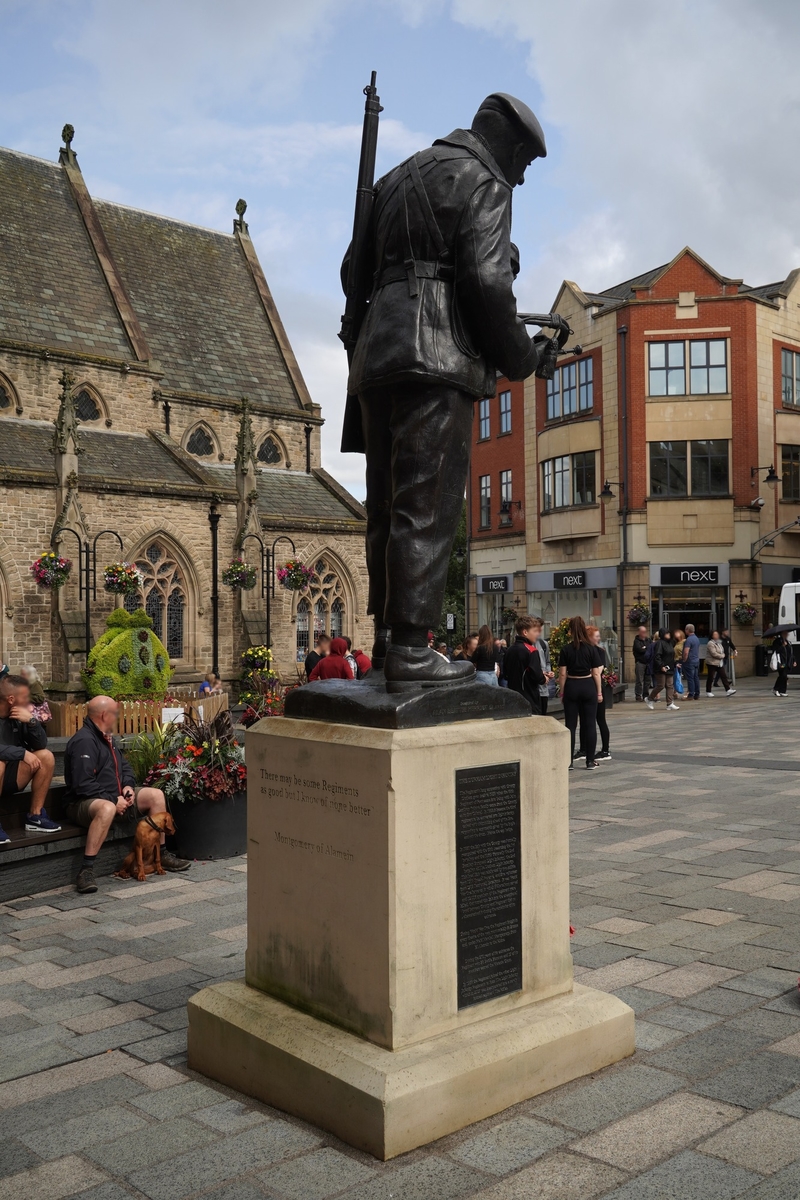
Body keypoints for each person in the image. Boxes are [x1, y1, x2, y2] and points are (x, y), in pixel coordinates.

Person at [342, 91, 559, 689]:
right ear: (509, 146)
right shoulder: (485, 179)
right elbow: (487, 284)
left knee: (386, 508)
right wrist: (523, 358)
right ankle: (413, 650)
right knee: (428, 504)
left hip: (376, 358)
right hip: (435, 357)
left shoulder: (396, 178)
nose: (522, 175)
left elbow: (349, 269)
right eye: (526, 163)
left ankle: (388, 645)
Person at [63, 695, 190, 894]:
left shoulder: (108, 737)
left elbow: (125, 768)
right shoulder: (84, 741)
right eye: (115, 713)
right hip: (83, 803)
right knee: (107, 808)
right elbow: (82, 784)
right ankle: (86, 870)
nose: (117, 717)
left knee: (155, 795)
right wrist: (113, 799)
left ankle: (162, 853)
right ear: (104, 715)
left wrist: (128, 787)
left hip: (114, 797)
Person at [0, 673, 58, 844]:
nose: (29, 702)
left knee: (46, 756)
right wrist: (22, 753)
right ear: (11, 699)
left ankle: (35, 816)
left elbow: (41, 744)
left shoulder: (20, 716)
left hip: (11, 776)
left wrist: (32, 722)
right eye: (25, 697)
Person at [558, 616, 604, 770]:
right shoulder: (591, 649)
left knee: (570, 725)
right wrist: (599, 693)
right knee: (590, 724)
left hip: (572, 685)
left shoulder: (566, 649)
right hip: (588, 685)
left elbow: (562, 674)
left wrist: (563, 692)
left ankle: (568, 762)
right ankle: (590, 761)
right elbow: (596, 673)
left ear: (570, 630)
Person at [504, 615, 546, 714]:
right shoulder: (531, 651)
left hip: (513, 698)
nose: (537, 634)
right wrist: (544, 678)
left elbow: (506, 673)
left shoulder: (509, 650)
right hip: (529, 698)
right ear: (525, 632)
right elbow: (537, 676)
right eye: (535, 631)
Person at [584, 626, 612, 760]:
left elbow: (599, 670)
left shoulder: (600, 651)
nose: (599, 638)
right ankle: (584, 749)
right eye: (596, 636)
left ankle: (605, 750)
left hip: (597, 688)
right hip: (588, 688)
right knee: (585, 720)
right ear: (589, 637)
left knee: (600, 719)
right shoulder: (584, 650)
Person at [647, 629, 680, 711]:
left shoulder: (670, 643)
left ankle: (669, 703)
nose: (668, 634)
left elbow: (671, 656)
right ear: (662, 634)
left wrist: (675, 664)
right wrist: (661, 666)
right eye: (666, 633)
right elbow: (657, 656)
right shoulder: (659, 643)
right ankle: (650, 698)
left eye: (669, 633)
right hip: (661, 668)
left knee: (670, 685)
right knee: (660, 685)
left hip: (670, 667)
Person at [705, 631, 736, 697]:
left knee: (723, 675)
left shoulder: (718, 643)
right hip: (712, 663)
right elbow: (713, 653)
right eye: (715, 634)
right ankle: (708, 691)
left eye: (717, 634)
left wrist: (723, 654)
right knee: (711, 677)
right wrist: (722, 656)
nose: (716, 635)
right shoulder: (710, 643)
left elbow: (722, 650)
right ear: (712, 636)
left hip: (719, 663)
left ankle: (728, 690)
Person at [632, 625, 652, 701]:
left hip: (648, 662)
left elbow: (651, 649)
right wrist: (646, 648)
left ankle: (646, 695)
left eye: (645, 631)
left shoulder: (648, 640)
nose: (644, 633)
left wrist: (645, 648)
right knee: (639, 680)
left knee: (648, 680)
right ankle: (638, 695)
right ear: (639, 632)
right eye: (642, 632)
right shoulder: (636, 641)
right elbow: (639, 650)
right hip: (640, 662)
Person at [682, 623, 701, 700]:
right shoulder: (696, 638)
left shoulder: (689, 640)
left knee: (690, 678)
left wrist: (684, 659)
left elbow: (686, 651)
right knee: (696, 677)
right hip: (696, 660)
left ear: (687, 630)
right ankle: (697, 694)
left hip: (690, 661)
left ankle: (690, 694)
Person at [772, 631, 793, 697]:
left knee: (784, 676)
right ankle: (776, 689)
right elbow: (776, 650)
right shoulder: (777, 641)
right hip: (781, 661)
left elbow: (790, 652)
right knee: (783, 675)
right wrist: (783, 646)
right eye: (785, 633)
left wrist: (794, 660)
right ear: (782, 634)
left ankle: (782, 691)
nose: (787, 634)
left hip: (786, 662)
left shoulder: (787, 641)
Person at [673, 630, 685, 695]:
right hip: (676, 660)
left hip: (681, 660)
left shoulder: (684, 642)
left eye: (677, 633)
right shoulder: (676, 642)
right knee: (676, 676)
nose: (675, 634)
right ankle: (675, 691)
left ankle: (678, 690)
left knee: (679, 676)